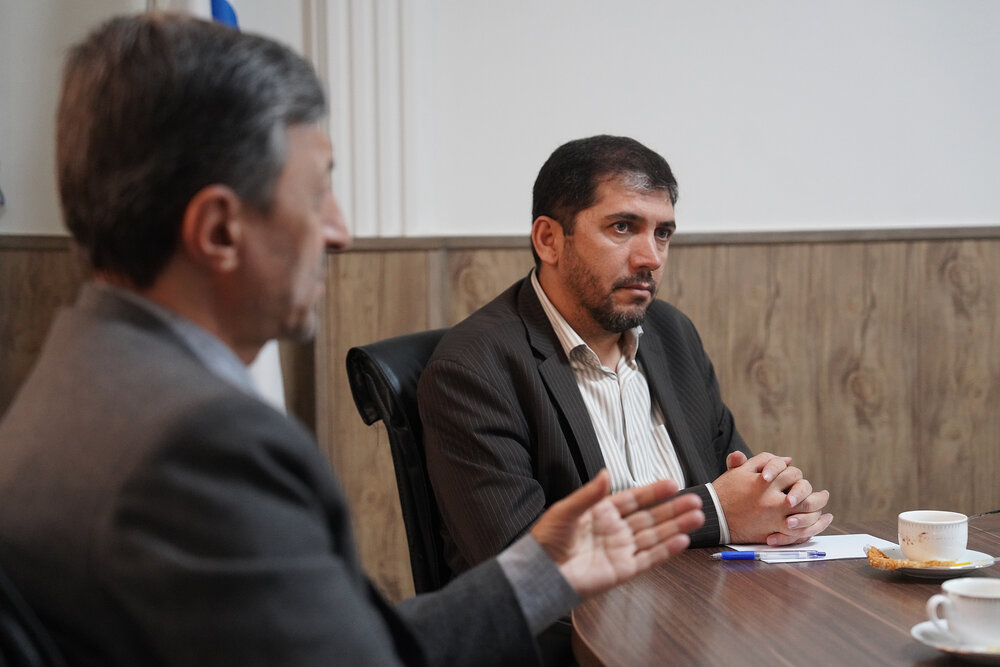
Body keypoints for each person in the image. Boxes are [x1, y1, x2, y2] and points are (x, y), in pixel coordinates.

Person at [0, 16, 706, 667]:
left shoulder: (76, 376)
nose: (340, 232)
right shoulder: (202, 444)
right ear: (218, 230)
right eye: (317, 195)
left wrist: (541, 569)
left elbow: (349, 641)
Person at [418, 135, 834, 577]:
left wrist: (781, 504)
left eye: (662, 233)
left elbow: (744, 491)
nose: (650, 258)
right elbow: (518, 556)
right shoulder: (473, 368)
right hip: (578, 619)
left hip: (700, 600)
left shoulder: (672, 334)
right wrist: (711, 511)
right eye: (622, 227)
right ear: (549, 239)